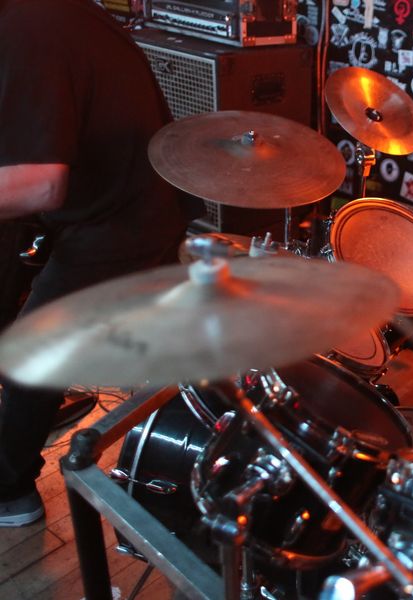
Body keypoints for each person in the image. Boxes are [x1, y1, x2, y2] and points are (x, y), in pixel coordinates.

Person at [0, 0, 200, 526]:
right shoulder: (48, 14)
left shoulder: (26, 31)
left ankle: (10, 493)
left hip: (123, 217)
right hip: (127, 200)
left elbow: (40, 184)